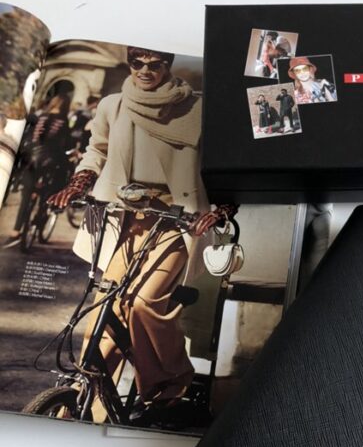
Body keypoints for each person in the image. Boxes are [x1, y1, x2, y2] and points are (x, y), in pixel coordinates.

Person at [47, 46, 237, 421]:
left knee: (143, 303)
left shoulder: (196, 108)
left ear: (168, 66)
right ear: (130, 64)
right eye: (137, 63)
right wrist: (78, 183)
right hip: (124, 219)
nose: (145, 70)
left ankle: (170, 384)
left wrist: (221, 210)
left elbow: (224, 165)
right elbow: (96, 150)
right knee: (106, 305)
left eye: (155, 64)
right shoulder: (113, 105)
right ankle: (89, 398)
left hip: (176, 221)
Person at [4, 93, 70, 247]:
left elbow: (31, 138)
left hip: (31, 162)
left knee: (26, 198)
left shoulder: (41, 116)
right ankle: (41, 221)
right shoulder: (63, 121)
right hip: (49, 164)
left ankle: (15, 231)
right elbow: (64, 144)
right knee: (50, 193)